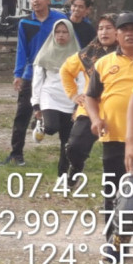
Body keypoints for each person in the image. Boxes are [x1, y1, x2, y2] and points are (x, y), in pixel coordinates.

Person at [85, 12, 133, 264]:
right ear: (116, 35)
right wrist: (95, 119)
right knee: (115, 192)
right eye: (124, 29)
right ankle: (114, 242)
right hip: (115, 138)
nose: (130, 33)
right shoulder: (103, 63)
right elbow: (90, 96)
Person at [3, 0, 67, 166]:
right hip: (31, 74)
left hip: (55, 75)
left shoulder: (60, 20)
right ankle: (16, 154)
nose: (35, 1)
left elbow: (68, 45)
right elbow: (21, 50)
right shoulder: (25, 23)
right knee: (21, 114)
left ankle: (67, 156)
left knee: (63, 115)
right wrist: (18, 74)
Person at [61, 13, 117, 186]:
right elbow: (65, 70)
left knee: (116, 156)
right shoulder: (87, 54)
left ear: (118, 31)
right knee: (74, 147)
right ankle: (76, 169)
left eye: (109, 28)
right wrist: (73, 94)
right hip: (89, 108)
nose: (103, 32)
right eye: (100, 28)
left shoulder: (128, 54)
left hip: (117, 112)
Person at [30, 19, 79, 179]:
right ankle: (42, 124)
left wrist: (80, 103)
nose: (61, 35)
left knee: (67, 142)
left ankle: (62, 175)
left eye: (64, 32)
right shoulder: (45, 53)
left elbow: (83, 80)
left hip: (70, 99)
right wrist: (36, 104)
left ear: (70, 34)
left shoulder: (78, 55)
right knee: (52, 128)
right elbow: (37, 80)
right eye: (57, 32)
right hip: (49, 96)